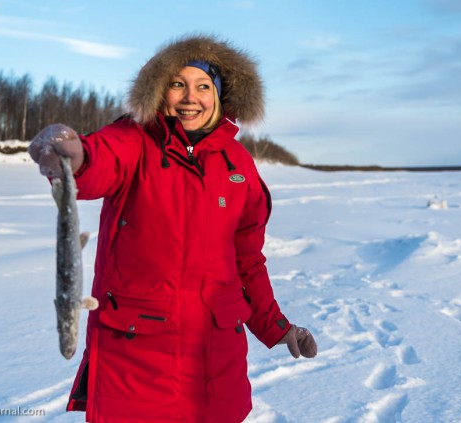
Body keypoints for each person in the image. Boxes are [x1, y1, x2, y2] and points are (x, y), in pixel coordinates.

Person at [28, 34, 317, 423]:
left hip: (216, 362)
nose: (189, 97)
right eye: (178, 84)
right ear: (161, 90)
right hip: (137, 360)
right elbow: (98, 162)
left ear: (220, 96)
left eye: (202, 86)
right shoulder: (134, 140)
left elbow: (246, 261)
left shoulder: (238, 165)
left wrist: (276, 326)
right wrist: (73, 154)